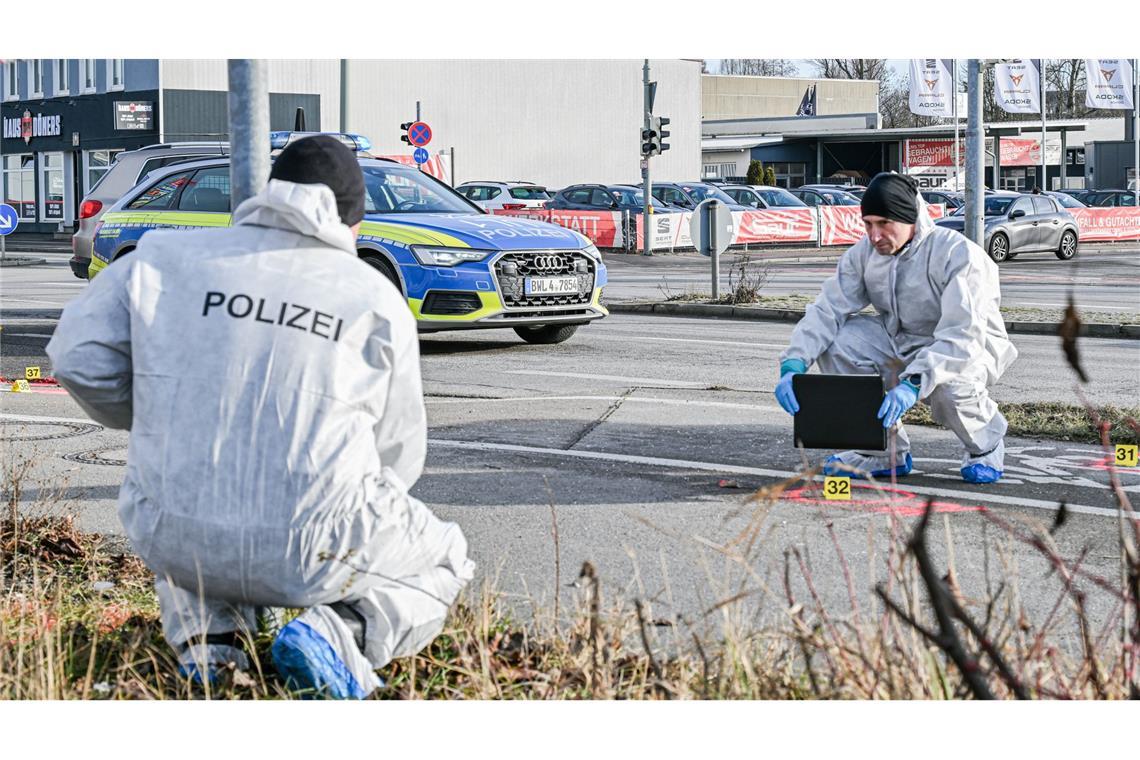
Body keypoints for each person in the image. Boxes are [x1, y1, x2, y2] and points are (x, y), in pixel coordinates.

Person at [47, 135, 475, 698]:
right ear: (352, 222)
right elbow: (398, 453)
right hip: (315, 548)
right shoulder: (372, 296)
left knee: (187, 490)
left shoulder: (162, 258)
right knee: (446, 556)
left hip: (173, 535)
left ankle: (210, 646)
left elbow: (76, 357)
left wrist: (165, 417)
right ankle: (340, 633)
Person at [774, 172, 1017, 484]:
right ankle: (883, 450)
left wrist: (914, 384)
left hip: (968, 347)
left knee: (950, 387)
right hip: (901, 341)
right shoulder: (865, 255)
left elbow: (962, 335)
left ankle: (985, 444)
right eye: (868, 223)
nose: (874, 235)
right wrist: (793, 363)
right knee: (838, 342)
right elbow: (827, 309)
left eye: (884, 223)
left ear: (910, 218)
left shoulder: (957, 255)